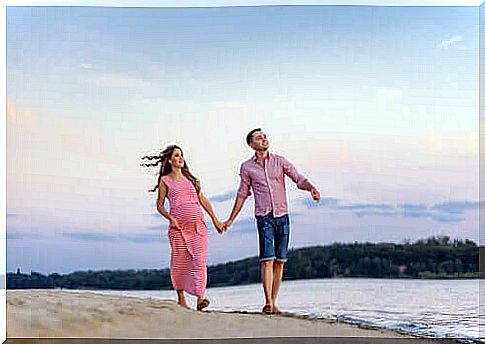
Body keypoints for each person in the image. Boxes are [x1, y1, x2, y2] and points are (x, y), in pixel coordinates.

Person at [222, 129, 320, 315]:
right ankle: (268, 302)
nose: (264, 138)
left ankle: (273, 303)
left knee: (280, 261)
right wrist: (230, 219)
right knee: (267, 260)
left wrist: (311, 188)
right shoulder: (247, 167)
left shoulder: (280, 161)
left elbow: (298, 178)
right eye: (259, 137)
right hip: (264, 217)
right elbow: (243, 194)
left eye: (264, 136)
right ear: (252, 144)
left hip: (282, 216)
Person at [142, 145, 224, 311]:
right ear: (170, 160)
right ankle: (181, 298)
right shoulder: (165, 180)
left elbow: (203, 200)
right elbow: (159, 205)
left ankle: (200, 298)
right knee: (180, 262)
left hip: (197, 227)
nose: (181, 158)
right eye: (177, 156)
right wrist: (170, 218)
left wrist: (215, 220)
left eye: (182, 155)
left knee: (199, 261)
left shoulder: (190, 179)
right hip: (178, 227)